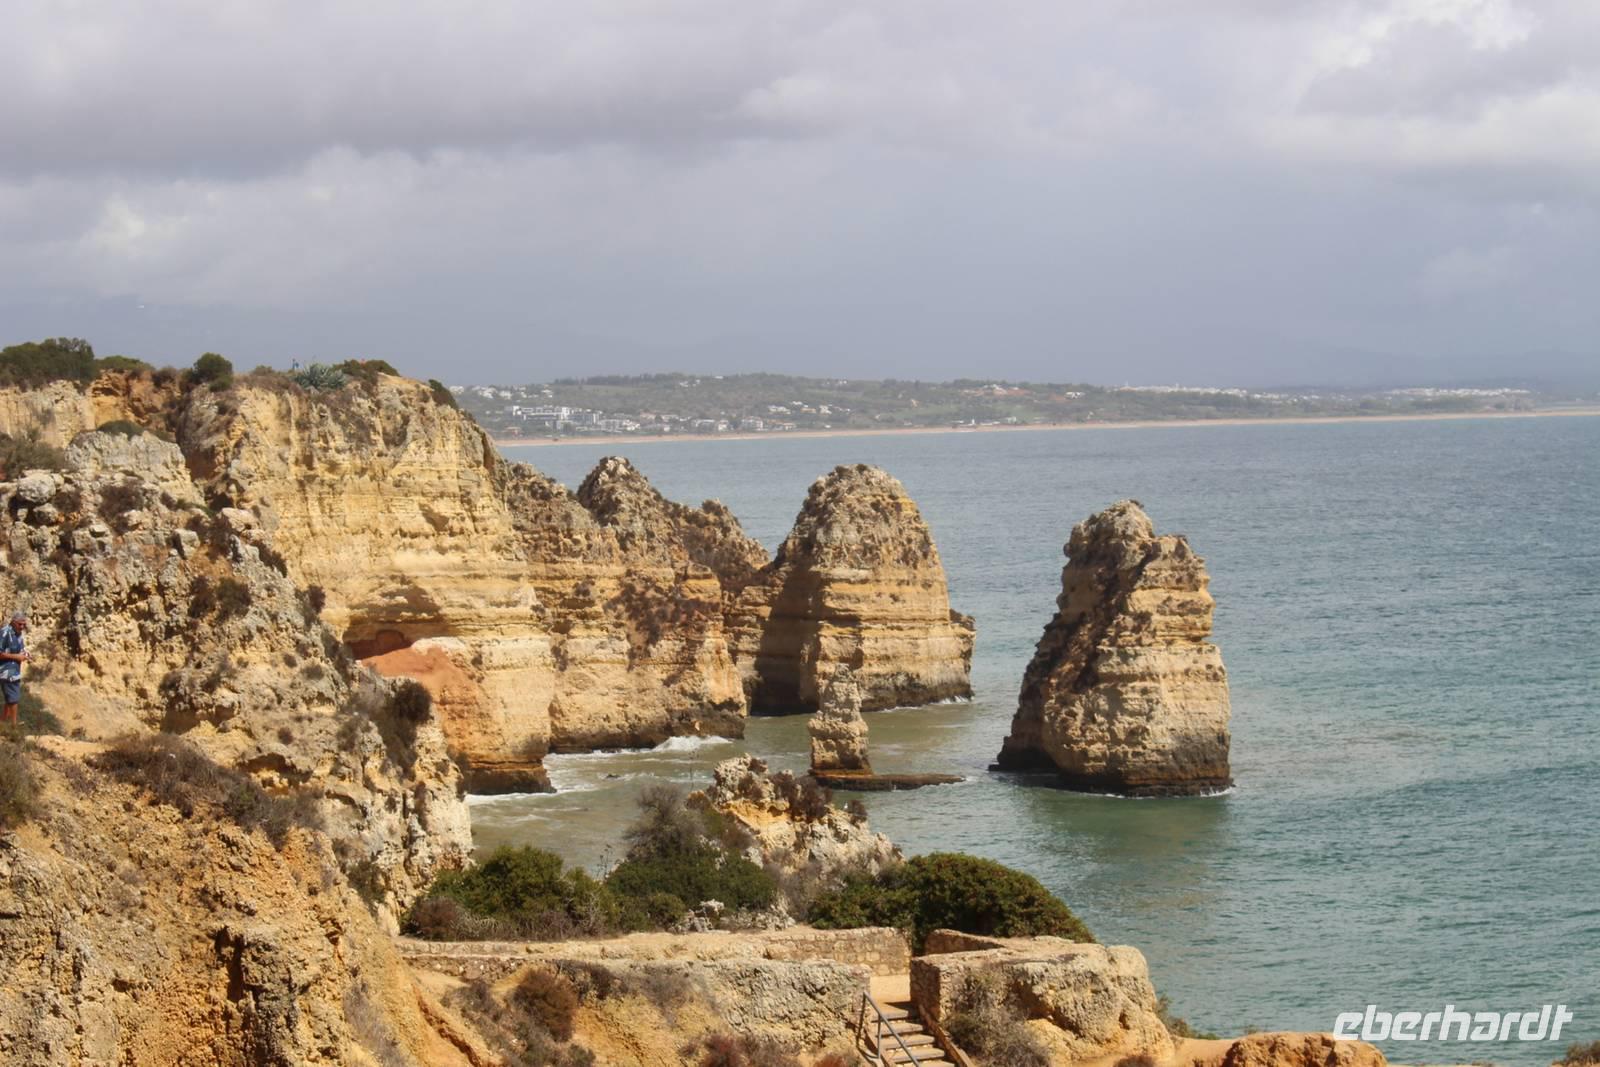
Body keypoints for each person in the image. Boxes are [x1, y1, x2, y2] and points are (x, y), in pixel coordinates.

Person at [0, 612, 30, 725]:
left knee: (10, 697)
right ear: (13, 622)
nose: (22, 627)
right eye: (19, 624)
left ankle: (3, 722)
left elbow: (20, 649)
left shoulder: (18, 634)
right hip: (6, 671)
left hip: (15, 670)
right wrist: (16, 656)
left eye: (24, 625)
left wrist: (25, 655)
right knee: (13, 698)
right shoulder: (4, 633)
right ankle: (14, 725)